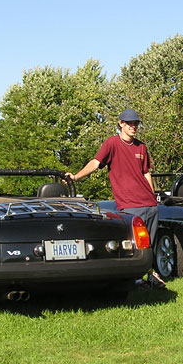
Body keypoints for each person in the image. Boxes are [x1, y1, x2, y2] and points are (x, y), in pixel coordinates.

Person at [66, 109, 166, 289]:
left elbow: (146, 173)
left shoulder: (141, 147)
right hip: (129, 205)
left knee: (149, 245)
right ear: (121, 124)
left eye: (135, 123)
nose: (133, 127)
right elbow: (95, 163)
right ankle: (133, 279)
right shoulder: (111, 144)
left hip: (150, 205)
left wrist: (153, 197)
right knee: (132, 244)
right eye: (129, 124)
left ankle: (150, 277)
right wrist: (75, 177)